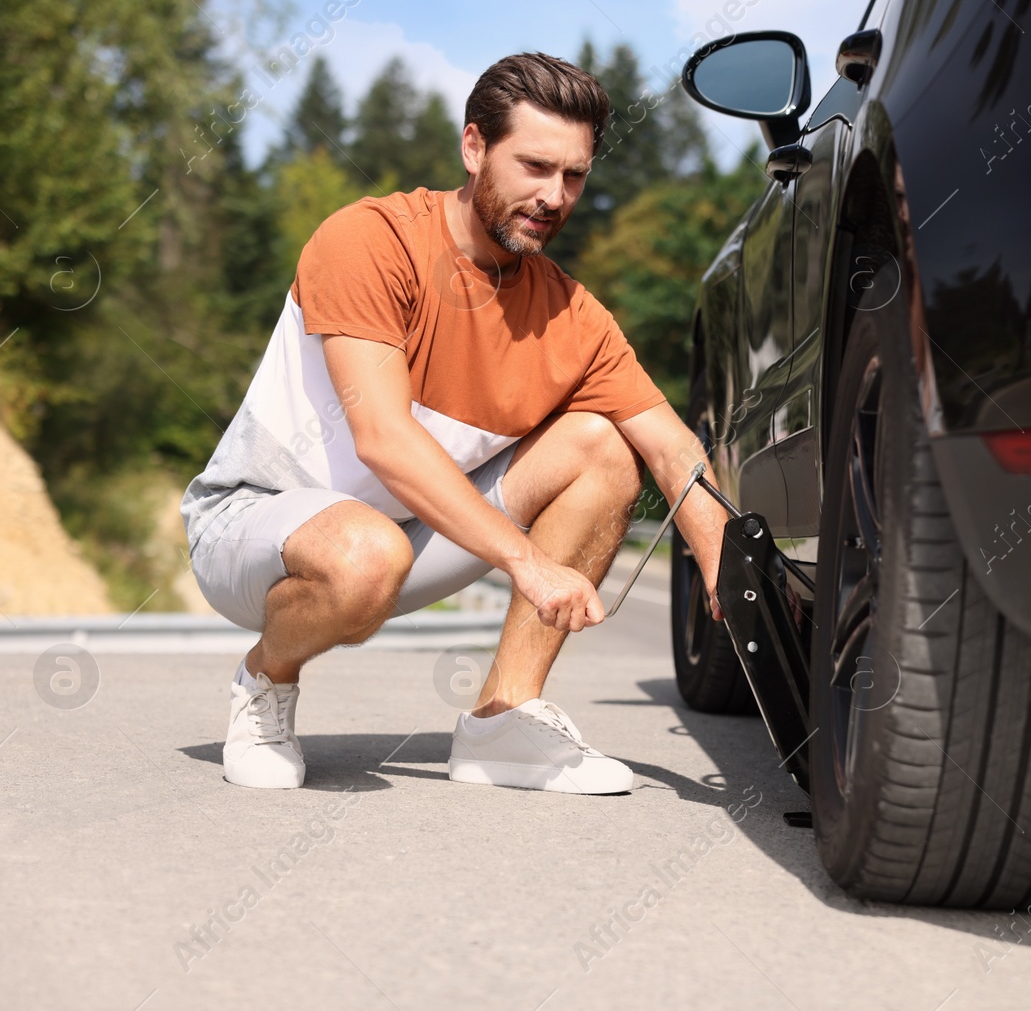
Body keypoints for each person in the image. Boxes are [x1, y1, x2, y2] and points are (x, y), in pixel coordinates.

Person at [179, 51, 727, 794]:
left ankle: (505, 720)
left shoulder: (573, 314)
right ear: (473, 147)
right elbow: (383, 438)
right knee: (366, 551)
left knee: (605, 446)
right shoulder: (370, 240)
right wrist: (527, 562)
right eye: (533, 165)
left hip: (411, 535)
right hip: (255, 529)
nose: (553, 195)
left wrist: (731, 573)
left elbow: (673, 448)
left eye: (574, 176)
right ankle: (265, 681)